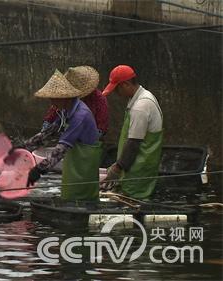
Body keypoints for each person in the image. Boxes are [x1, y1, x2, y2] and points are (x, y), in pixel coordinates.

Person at [23, 69, 102, 201]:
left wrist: (38, 170)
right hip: (74, 164)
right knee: (69, 197)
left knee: (80, 201)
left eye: (54, 99)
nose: (52, 102)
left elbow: (60, 150)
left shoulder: (80, 116)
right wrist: (23, 147)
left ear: (64, 97)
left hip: (84, 165)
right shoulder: (67, 111)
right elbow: (48, 133)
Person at [100, 65, 163, 199]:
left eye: (117, 89)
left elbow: (133, 143)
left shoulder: (141, 106)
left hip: (138, 169)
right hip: (138, 166)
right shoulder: (142, 97)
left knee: (131, 203)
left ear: (126, 84)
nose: (117, 94)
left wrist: (117, 168)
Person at [42, 66, 108, 138]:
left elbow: (101, 129)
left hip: (87, 138)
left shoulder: (99, 99)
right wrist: (44, 132)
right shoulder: (63, 97)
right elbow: (51, 115)